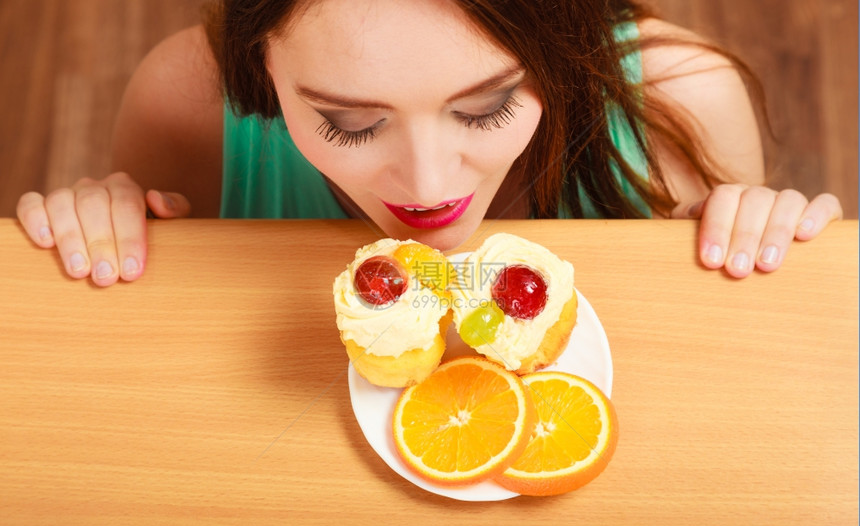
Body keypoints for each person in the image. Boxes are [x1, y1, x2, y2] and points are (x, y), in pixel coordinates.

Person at [15, 0, 842, 287]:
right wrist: (108, 235)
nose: (426, 181)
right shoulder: (185, 105)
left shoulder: (681, 101)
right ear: (254, 61)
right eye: (349, 121)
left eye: (484, 109)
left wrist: (748, 237)